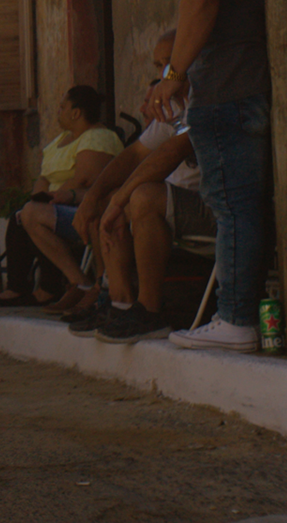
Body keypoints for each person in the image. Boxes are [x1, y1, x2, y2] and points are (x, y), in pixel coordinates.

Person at [144, 0, 271, 352]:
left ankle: (236, 317)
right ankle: (251, 313)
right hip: (268, 80)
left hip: (227, 85)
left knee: (232, 205)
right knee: (256, 205)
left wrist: (174, 74)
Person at [63, 31, 200, 342]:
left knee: (141, 196)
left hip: (214, 207)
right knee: (110, 196)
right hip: (178, 207)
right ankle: (120, 304)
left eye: (170, 62)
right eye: (159, 65)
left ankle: (150, 312)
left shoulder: (204, 99)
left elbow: (173, 151)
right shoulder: (172, 106)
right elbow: (134, 154)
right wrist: (94, 197)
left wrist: (119, 199)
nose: (165, 72)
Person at [0, 85, 122, 307]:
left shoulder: (98, 137)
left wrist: (51, 198)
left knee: (32, 215)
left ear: (76, 112)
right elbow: (44, 176)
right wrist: (39, 196)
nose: (58, 111)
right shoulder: (61, 140)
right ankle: (19, 288)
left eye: (62, 107)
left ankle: (76, 283)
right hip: (55, 203)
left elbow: (84, 179)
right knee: (20, 218)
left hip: (80, 206)